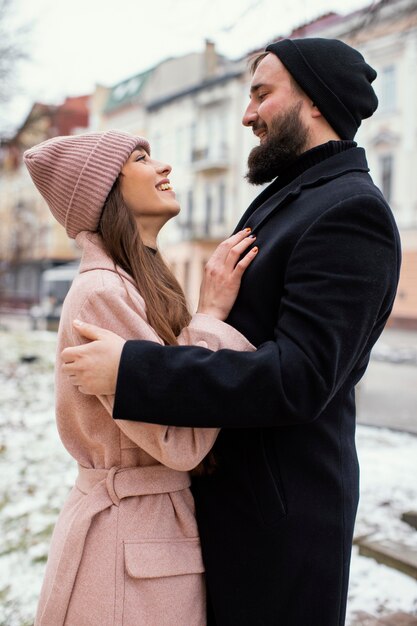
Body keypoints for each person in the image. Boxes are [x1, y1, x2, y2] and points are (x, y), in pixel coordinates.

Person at [62, 38, 401, 626]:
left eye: (262, 95)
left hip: (280, 530)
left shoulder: (349, 212)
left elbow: (300, 378)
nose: (247, 115)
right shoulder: (295, 200)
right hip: (236, 516)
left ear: (315, 102)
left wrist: (135, 369)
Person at [23, 130, 257, 626]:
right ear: (103, 189)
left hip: (144, 540)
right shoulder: (102, 293)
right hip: (127, 552)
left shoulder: (133, 284)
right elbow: (180, 441)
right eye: (142, 157)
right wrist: (211, 318)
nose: (164, 166)